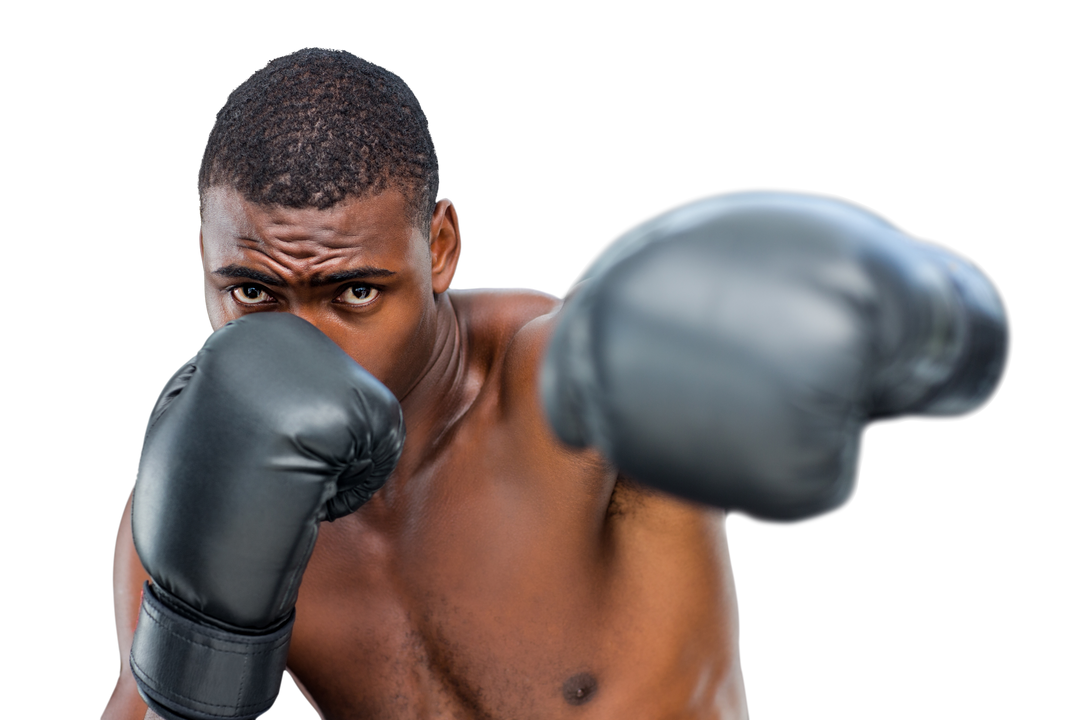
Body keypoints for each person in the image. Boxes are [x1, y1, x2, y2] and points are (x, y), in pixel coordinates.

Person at [100, 45, 1013, 720]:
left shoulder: (569, 392)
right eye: (253, 292)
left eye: (355, 292)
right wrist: (196, 658)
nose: (300, 346)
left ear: (441, 247)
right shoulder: (186, 492)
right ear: (204, 265)